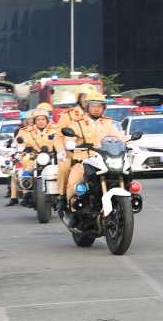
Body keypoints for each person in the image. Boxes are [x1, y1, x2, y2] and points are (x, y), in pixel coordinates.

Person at [63, 92, 128, 227]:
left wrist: (130, 142)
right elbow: (69, 138)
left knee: (127, 171)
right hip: (85, 159)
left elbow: (119, 137)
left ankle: (128, 201)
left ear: (104, 108)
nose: (96, 108)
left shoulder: (109, 123)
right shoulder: (78, 123)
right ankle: (72, 212)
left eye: (100, 106)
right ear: (87, 107)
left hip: (106, 159)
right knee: (73, 183)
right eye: (93, 105)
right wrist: (71, 143)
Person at [8, 107, 58, 206]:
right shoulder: (26, 131)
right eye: (38, 119)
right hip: (34, 156)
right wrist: (20, 148)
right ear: (34, 121)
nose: (41, 122)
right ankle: (27, 192)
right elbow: (19, 142)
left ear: (47, 120)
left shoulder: (55, 129)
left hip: (52, 156)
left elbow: (62, 140)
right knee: (26, 169)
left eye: (43, 119)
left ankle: (62, 194)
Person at [54, 87, 97, 202]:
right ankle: (62, 197)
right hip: (71, 152)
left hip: (94, 153)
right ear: (79, 99)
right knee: (64, 166)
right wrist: (61, 151)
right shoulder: (68, 115)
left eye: (90, 98)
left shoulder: (96, 115)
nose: (87, 100)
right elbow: (59, 136)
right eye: (84, 97)